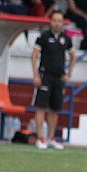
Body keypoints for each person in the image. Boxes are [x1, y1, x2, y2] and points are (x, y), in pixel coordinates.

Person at [31, 10, 76, 150]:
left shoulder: (66, 39)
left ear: (63, 23)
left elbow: (73, 55)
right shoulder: (43, 37)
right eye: (55, 20)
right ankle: (40, 138)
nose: (57, 23)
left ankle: (50, 138)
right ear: (50, 21)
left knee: (55, 109)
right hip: (45, 77)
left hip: (59, 78)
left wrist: (69, 73)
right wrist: (36, 75)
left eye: (59, 20)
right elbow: (34, 56)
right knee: (41, 107)